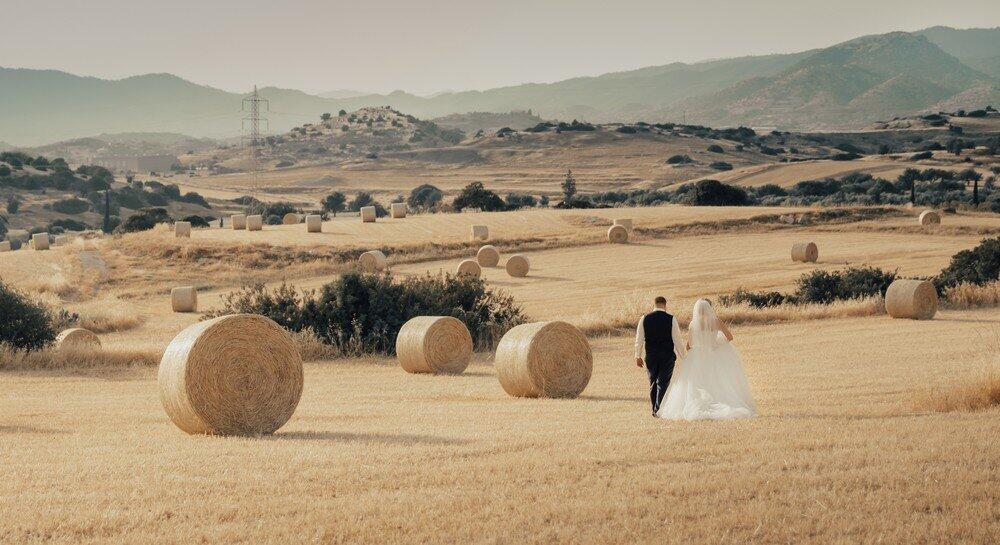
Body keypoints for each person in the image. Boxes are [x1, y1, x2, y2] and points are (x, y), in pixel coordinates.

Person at [657, 299, 756, 420]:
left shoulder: (694, 323)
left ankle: (700, 403)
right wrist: (717, 343)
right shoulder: (717, 322)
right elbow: (730, 337)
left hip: (697, 356)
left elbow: (690, 344)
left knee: (696, 382)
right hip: (713, 354)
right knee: (717, 380)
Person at [635, 296, 686, 416]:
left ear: (654, 304)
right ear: (665, 305)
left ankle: (655, 409)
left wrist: (637, 356)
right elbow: (677, 340)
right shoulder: (671, 319)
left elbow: (639, 338)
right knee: (663, 383)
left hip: (651, 356)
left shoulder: (644, 318)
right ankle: (658, 410)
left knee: (653, 382)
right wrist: (684, 357)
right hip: (667, 356)